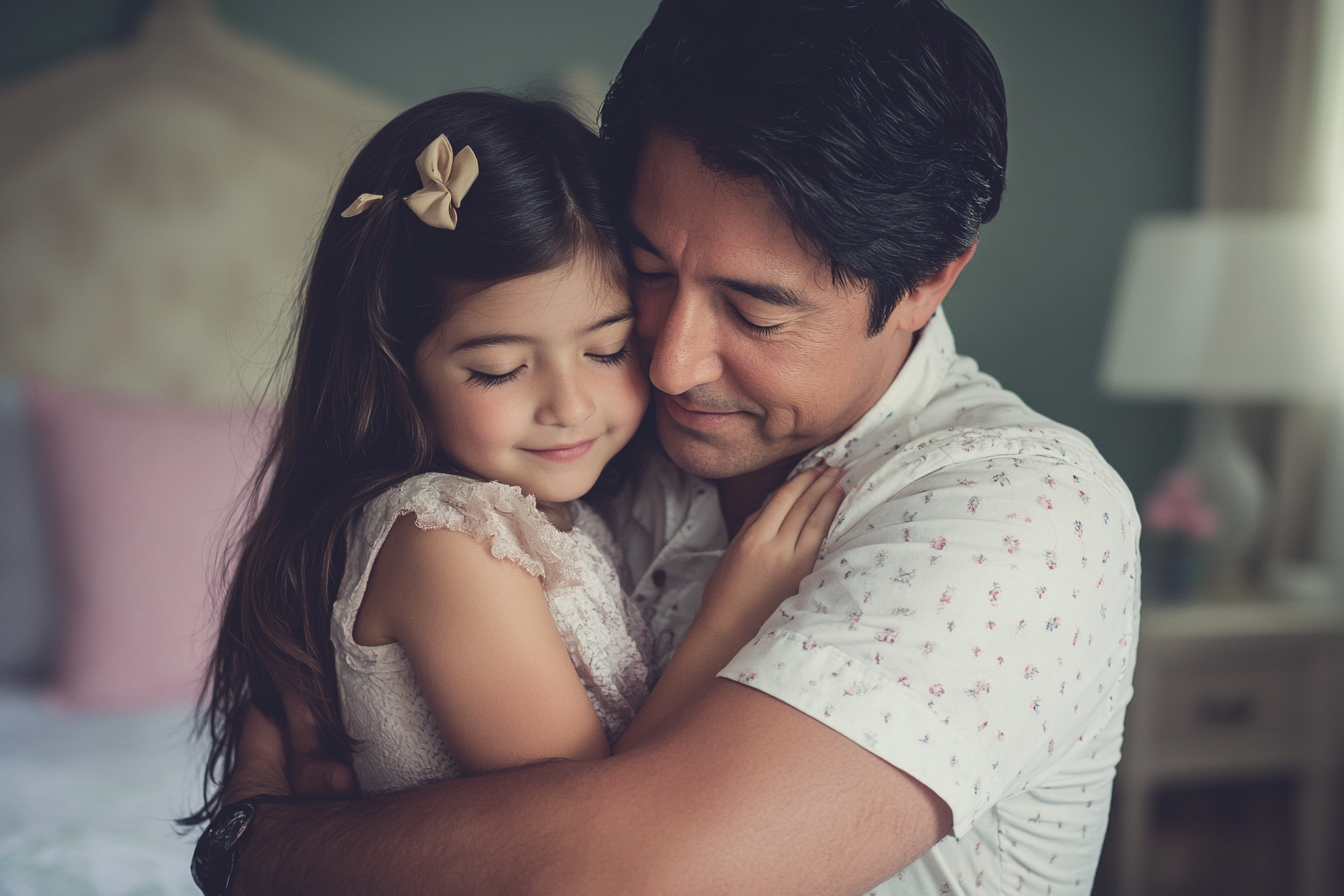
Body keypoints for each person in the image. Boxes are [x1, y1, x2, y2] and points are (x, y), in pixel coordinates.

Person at [210, 1, 1140, 894]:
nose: (671, 363)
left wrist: (260, 843)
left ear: (926, 283)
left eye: (753, 310)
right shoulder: (581, 451)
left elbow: (619, 874)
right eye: (649, 275)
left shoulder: (1022, 516)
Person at [186, 91, 846, 822]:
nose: (568, 404)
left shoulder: (542, 513)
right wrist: (732, 616)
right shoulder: (451, 543)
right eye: (499, 368)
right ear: (396, 369)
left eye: (608, 349)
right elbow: (585, 826)